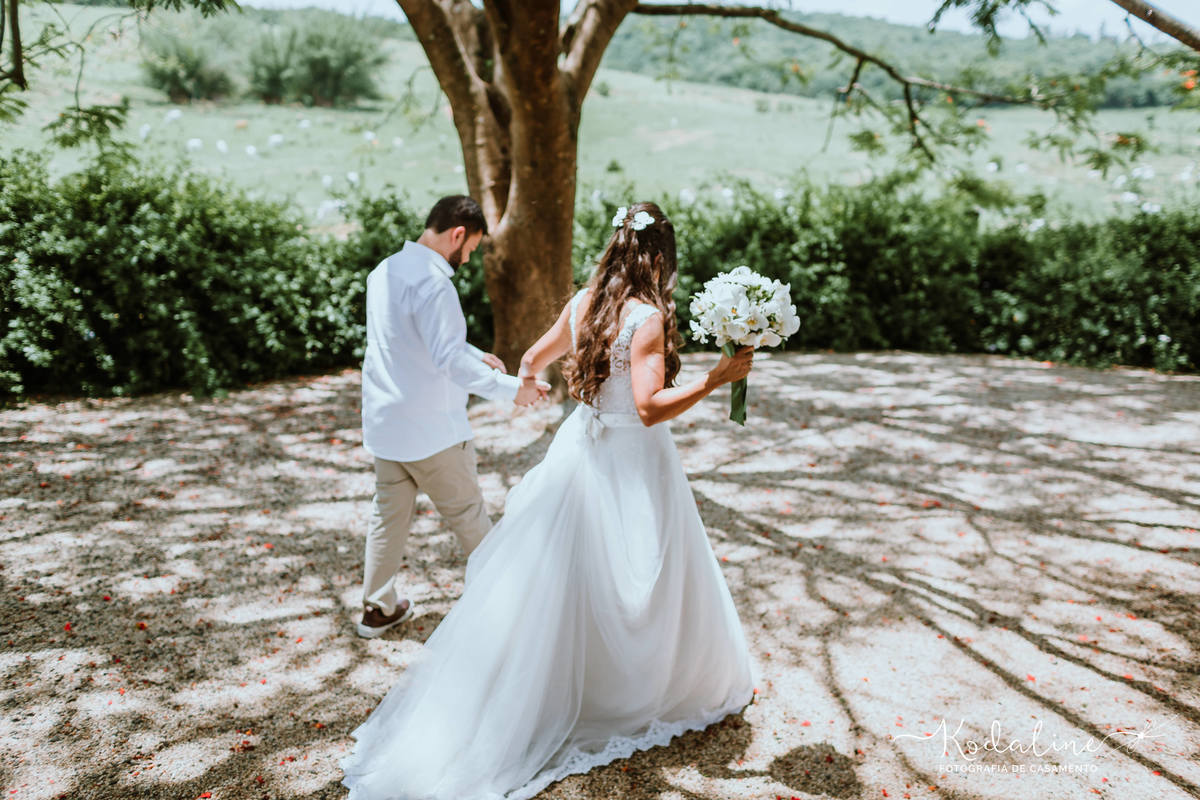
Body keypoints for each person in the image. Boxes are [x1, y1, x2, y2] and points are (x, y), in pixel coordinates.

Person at [341, 202, 755, 799]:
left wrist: (529, 381)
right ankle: (627, 688)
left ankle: (566, 677)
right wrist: (715, 380)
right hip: (633, 457)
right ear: (660, 259)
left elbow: (533, 359)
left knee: (574, 569)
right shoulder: (646, 318)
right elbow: (647, 408)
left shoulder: (584, 303)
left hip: (580, 447)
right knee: (641, 568)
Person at [356, 194, 548, 639]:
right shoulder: (435, 284)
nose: (469, 258)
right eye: (472, 248)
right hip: (432, 430)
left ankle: (378, 609)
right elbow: (447, 360)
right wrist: (513, 390)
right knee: (468, 515)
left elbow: (411, 339)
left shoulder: (383, 271)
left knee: (387, 518)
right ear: (458, 234)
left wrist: (477, 353)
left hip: (387, 426)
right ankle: (507, 610)